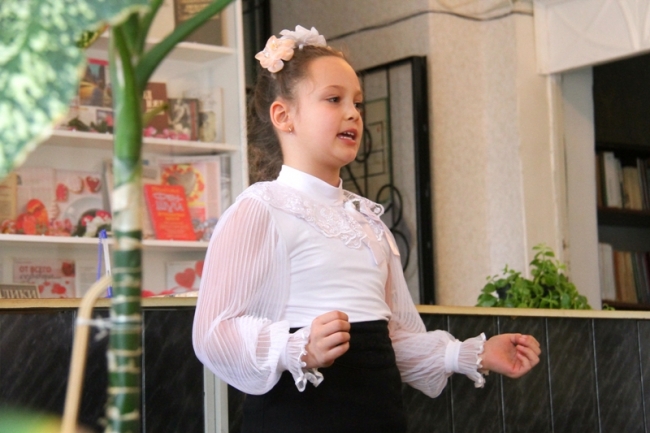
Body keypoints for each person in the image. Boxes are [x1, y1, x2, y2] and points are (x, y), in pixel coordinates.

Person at [192, 25, 541, 433]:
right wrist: (297, 346)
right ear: (283, 116)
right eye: (333, 99)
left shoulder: (367, 221)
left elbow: (390, 340)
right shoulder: (261, 209)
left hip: (379, 416)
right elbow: (213, 333)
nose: (353, 113)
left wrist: (471, 355)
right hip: (298, 419)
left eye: (357, 102)